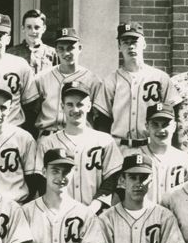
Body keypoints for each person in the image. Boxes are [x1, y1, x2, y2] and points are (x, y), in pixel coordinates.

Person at [37, 84, 123, 215]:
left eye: (80, 104)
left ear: (89, 106)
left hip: (96, 213)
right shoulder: (48, 143)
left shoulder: (105, 141)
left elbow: (112, 178)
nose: (75, 109)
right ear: (62, 107)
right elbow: (42, 180)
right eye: (70, 104)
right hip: (58, 213)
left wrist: (94, 206)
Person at [99, 22, 183, 152]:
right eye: (125, 42)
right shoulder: (110, 80)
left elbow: (174, 115)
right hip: (118, 147)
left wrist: (173, 149)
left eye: (134, 41)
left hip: (152, 146)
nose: (130, 46)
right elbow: (102, 121)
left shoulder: (160, 78)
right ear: (119, 46)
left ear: (144, 44)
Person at [33, 27, 107, 137]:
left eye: (70, 48)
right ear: (56, 50)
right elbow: (32, 112)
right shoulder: (42, 78)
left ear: (80, 48)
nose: (66, 53)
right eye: (61, 49)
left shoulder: (92, 80)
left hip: (80, 138)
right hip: (48, 136)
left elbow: (101, 118)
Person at [128, 103, 188, 204]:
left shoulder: (185, 160)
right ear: (147, 126)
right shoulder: (134, 157)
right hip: (145, 217)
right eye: (155, 124)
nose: (161, 130)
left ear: (174, 126)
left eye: (165, 124)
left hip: (176, 217)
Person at [6, 9, 61, 75]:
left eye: (37, 27)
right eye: (29, 27)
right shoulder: (12, 53)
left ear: (44, 29)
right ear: (23, 28)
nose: (33, 31)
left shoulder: (53, 54)